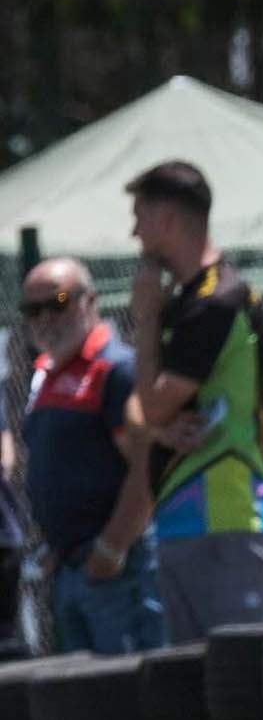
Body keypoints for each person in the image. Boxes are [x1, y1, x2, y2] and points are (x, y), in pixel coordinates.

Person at [124, 160, 263, 642]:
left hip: (228, 519)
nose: (134, 231)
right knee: (195, 692)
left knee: (241, 680)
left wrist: (146, 319)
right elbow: (138, 412)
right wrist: (156, 427)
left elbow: (148, 407)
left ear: (167, 219)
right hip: (179, 521)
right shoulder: (184, 301)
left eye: (141, 217)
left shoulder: (218, 301)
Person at [2, 258, 162, 654]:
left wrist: (112, 547)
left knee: (129, 694)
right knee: (86, 704)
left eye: (57, 303)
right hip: (70, 568)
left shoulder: (115, 370)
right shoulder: (47, 375)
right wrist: (61, 550)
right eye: (31, 310)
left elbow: (147, 470)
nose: (44, 318)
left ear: (90, 301)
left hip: (118, 569)